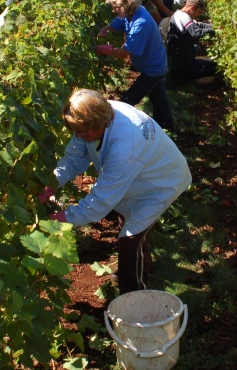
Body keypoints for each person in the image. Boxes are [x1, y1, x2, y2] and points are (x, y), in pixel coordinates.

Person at [39, 89, 191, 295]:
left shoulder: (125, 147)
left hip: (160, 183)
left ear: (97, 124)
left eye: (81, 132)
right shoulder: (97, 115)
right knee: (124, 218)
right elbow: (74, 159)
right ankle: (140, 268)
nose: (78, 137)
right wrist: (51, 184)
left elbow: (100, 201)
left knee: (130, 238)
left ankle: (135, 298)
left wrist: (64, 217)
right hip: (138, 175)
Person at [97, 0, 174, 129]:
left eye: (117, 7)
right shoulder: (131, 13)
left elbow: (124, 53)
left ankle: (115, 128)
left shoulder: (141, 23)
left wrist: (106, 50)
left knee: (127, 101)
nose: (114, 10)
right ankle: (166, 126)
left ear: (127, 4)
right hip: (155, 64)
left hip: (153, 68)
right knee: (158, 98)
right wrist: (109, 28)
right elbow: (120, 21)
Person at [167, 0, 217, 84]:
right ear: (192, 8)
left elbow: (200, 25)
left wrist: (215, 26)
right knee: (215, 68)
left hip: (179, 62)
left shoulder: (179, 14)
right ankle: (187, 81)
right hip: (182, 66)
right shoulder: (183, 17)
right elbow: (196, 33)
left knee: (210, 63)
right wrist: (216, 31)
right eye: (199, 12)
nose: (199, 15)